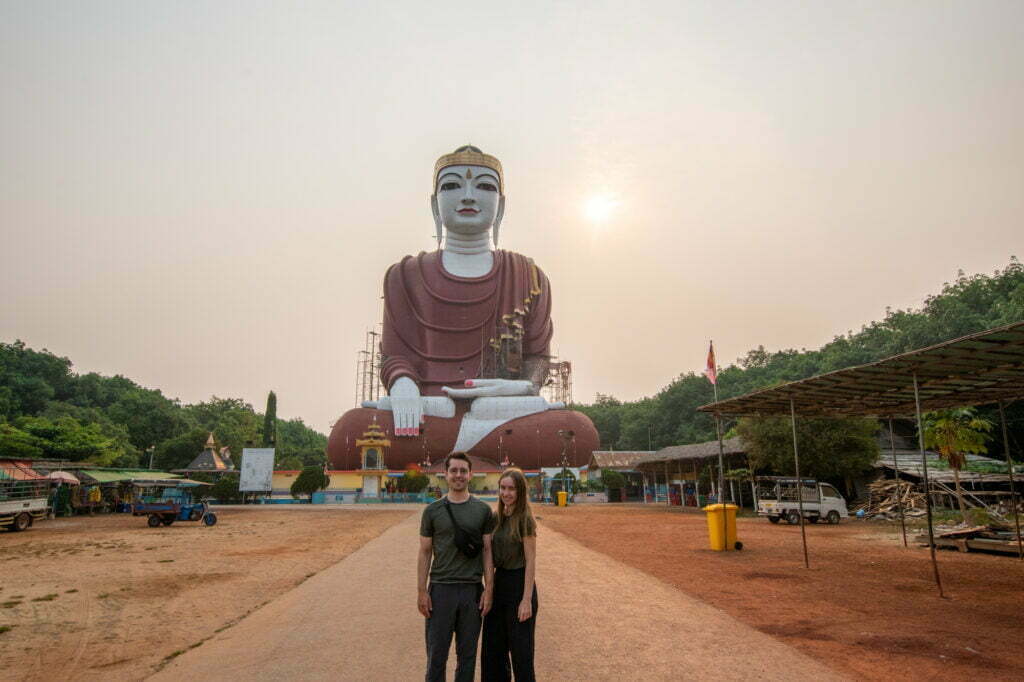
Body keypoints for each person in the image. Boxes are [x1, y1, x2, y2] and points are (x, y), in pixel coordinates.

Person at [418, 452, 496, 682]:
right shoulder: (432, 511)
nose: (458, 475)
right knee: (436, 656)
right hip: (441, 589)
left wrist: (489, 590)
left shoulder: (483, 511)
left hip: (472, 591)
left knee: (467, 657)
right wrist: (421, 591)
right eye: (454, 470)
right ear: (445, 474)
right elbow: (425, 552)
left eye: (463, 471)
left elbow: (487, 551)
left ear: (470, 475)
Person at [481, 467, 538, 682]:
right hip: (499, 583)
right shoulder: (496, 518)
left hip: (519, 583)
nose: (506, 493)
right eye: (503, 488)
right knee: (493, 650)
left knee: (521, 653)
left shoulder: (525, 519)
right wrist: (488, 589)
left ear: (520, 491)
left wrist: (526, 600)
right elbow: (488, 553)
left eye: (511, 489)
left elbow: (530, 560)